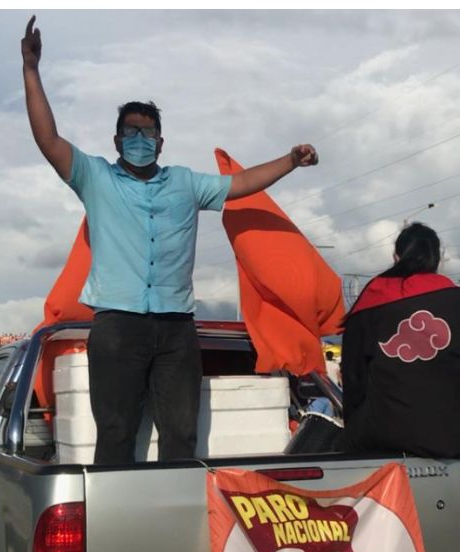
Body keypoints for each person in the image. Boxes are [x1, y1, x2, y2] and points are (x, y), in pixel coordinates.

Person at [21, 16, 319, 463]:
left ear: (161, 143)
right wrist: (30, 69)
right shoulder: (95, 177)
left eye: (147, 132)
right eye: (131, 131)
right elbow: (47, 138)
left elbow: (242, 183)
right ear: (117, 139)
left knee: (180, 437)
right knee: (116, 433)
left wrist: (290, 161)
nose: (139, 139)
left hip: (177, 327)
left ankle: (175, 521)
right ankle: (118, 524)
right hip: (117, 326)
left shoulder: (186, 183)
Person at [340, 223, 460, 459]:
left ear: (396, 257)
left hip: (383, 438)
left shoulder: (369, 306)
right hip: (455, 438)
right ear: (438, 259)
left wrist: (353, 429)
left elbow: (353, 380)